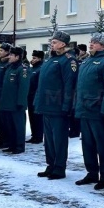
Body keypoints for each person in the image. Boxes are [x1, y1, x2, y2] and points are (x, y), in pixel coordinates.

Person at [74, 33, 104, 190]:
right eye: (91, 41)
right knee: (87, 144)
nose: (91, 44)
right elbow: (80, 86)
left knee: (103, 145)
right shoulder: (86, 62)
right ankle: (92, 172)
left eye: (95, 42)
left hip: (98, 111)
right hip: (84, 109)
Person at [34, 31, 78, 180]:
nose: (51, 44)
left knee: (59, 139)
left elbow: (69, 85)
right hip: (46, 105)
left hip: (58, 107)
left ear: (63, 44)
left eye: (54, 42)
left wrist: (67, 106)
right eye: (51, 42)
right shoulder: (51, 59)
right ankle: (50, 165)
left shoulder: (68, 60)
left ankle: (59, 168)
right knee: (49, 140)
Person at [0, 46, 30, 154]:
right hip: (7, 102)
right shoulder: (9, 67)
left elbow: (23, 87)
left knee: (18, 126)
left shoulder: (22, 69)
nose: (9, 56)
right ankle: (11, 145)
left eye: (11, 55)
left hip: (16, 104)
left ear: (17, 56)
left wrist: (21, 102)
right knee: (9, 126)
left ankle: (19, 146)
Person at [27, 50, 45, 144]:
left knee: (37, 118)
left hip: (36, 96)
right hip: (30, 96)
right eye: (32, 57)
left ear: (40, 58)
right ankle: (34, 135)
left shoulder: (40, 69)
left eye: (34, 58)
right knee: (31, 117)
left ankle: (38, 136)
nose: (32, 60)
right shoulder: (32, 69)